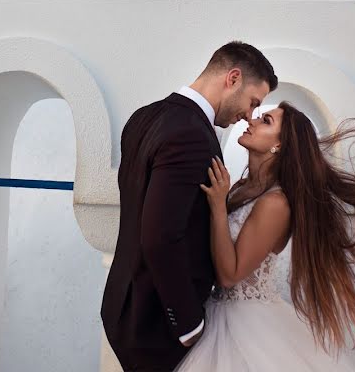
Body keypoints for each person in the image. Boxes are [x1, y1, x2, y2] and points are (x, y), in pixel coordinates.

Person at [172, 100, 355, 371]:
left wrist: (217, 207)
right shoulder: (242, 188)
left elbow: (230, 275)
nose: (253, 119)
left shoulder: (276, 204)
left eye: (266, 121)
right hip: (215, 313)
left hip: (245, 324)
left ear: (279, 146)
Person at [100, 41, 278, 372]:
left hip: (123, 306)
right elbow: (159, 236)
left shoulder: (144, 117)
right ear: (233, 78)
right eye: (253, 102)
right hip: (160, 324)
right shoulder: (192, 134)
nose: (248, 116)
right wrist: (189, 324)